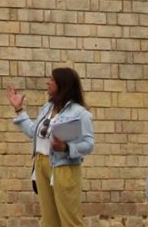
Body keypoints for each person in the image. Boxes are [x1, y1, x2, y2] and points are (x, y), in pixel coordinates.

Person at [6, 67, 95, 227]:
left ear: (63, 84)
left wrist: (67, 147)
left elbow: (88, 145)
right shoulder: (47, 108)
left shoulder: (80, 113)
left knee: (70, 219)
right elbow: (34, 132)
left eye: (52, 80)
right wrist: (19, 110)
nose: (48, 82)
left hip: (64, 167)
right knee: (49, 220)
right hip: (41, 164)